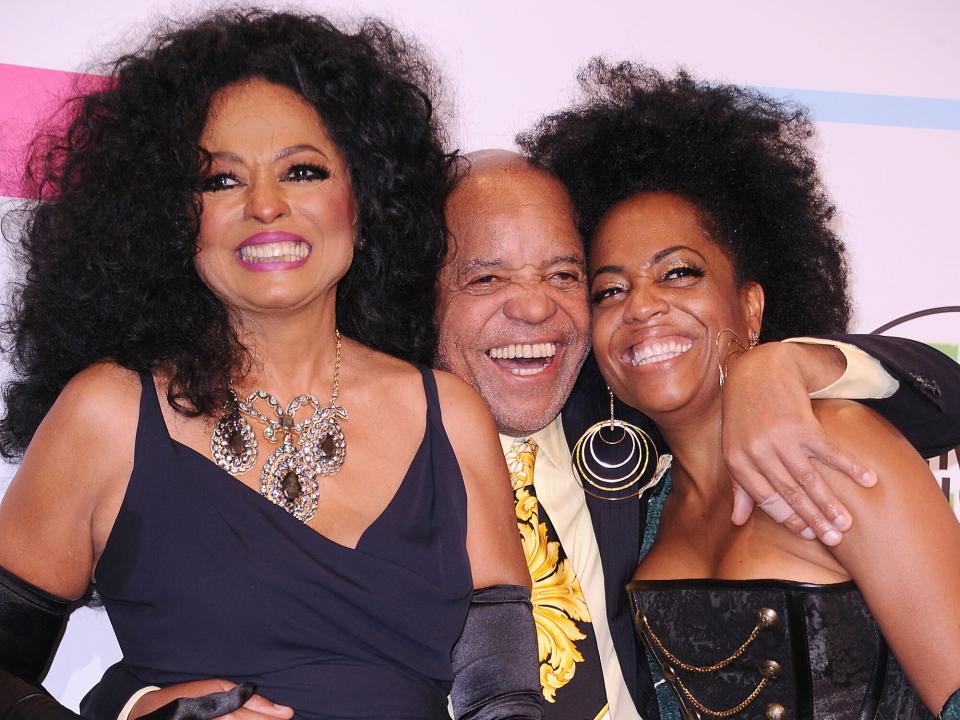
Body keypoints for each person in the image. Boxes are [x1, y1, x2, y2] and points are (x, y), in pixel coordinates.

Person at [0, 10, 541, 720]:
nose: (265, 205)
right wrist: (132, 712)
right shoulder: (105, 415)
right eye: (221, 181)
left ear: (364, 197)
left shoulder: (451, 416)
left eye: (303, 170)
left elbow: (502, 698)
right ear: (171, 213)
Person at [522, 60, 960, 717]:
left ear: (750, 310)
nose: (642, 306)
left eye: (678, 273)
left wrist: (791, 362)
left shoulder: (836, 441)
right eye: (609, 290)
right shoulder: (640, 508)